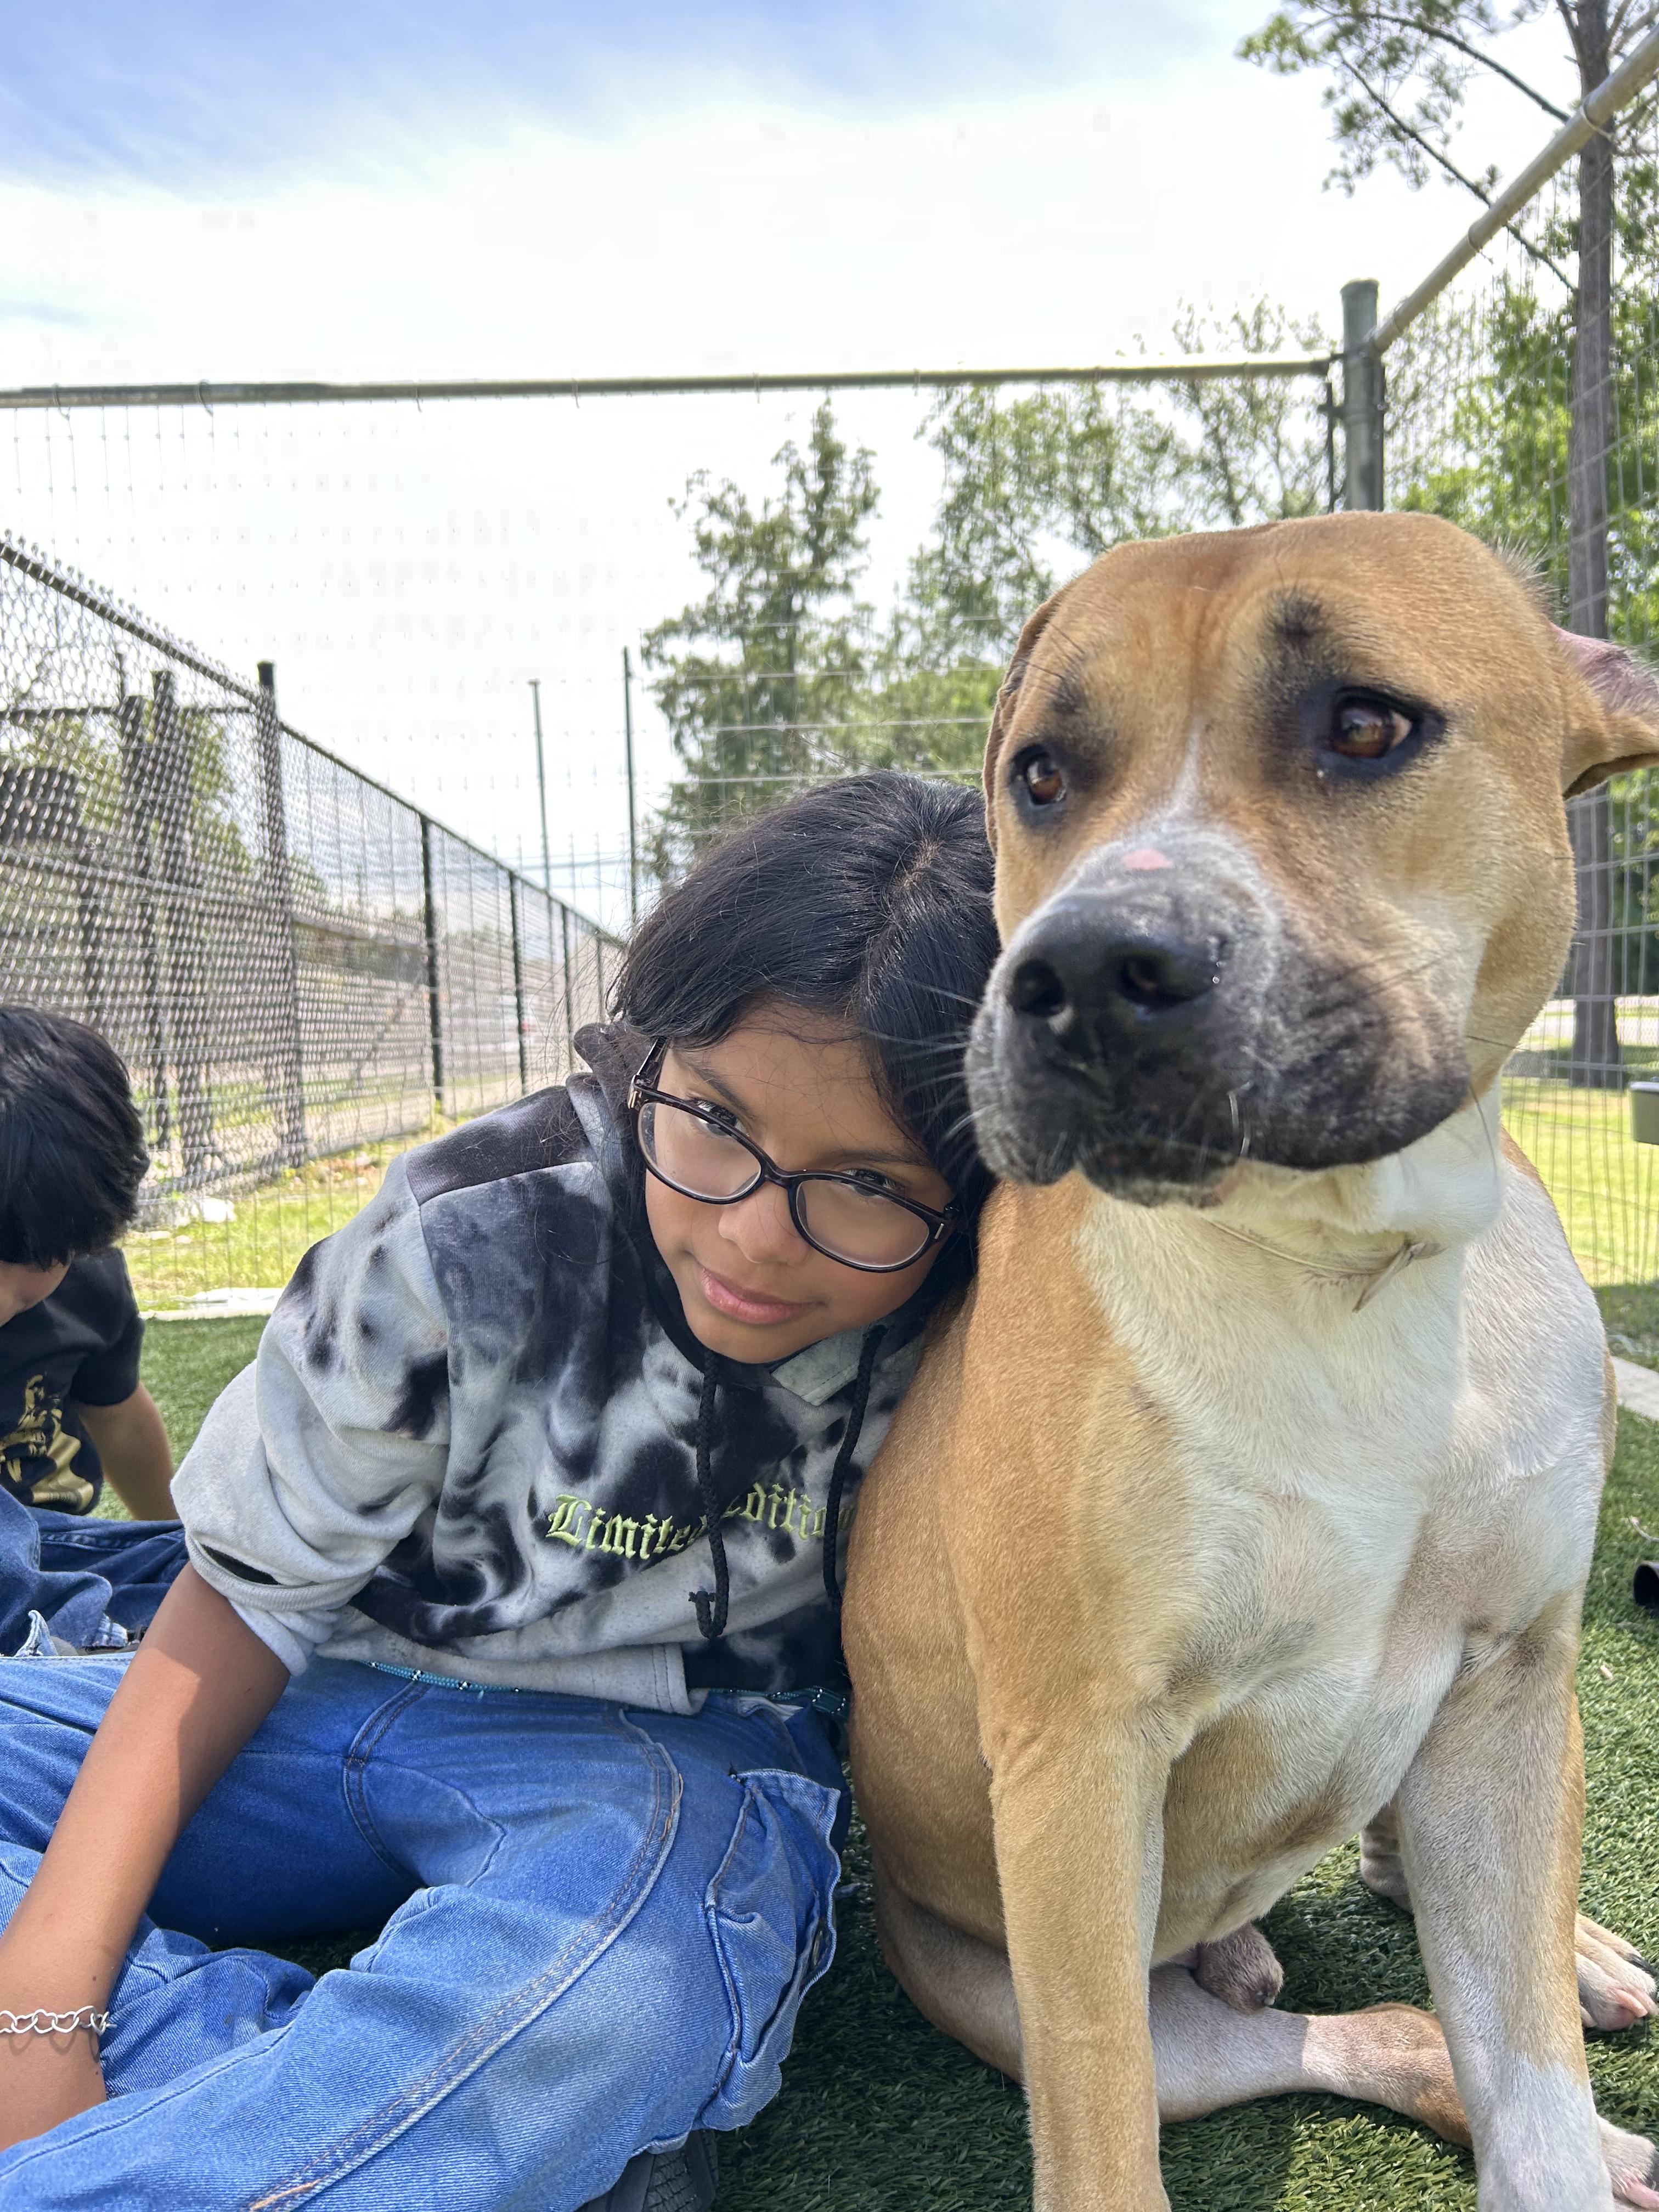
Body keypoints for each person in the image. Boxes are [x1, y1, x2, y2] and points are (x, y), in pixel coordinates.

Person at [0, 772, 1000, 2212]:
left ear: (971, 1193)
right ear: (649, 1054)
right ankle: (346, 2095)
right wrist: (44, 2006)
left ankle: (425, 2113)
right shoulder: (474, 1230)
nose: (750, 1236)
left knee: (626, 1978)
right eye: (713, 1117)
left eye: (869, 1185)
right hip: (317, 1688)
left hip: (659, 1756)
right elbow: (244, 1601)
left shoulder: (988, 1319)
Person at [0, 1008, 184, 1660]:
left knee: (192, 1560)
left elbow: (122, 1420)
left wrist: (178, 1536)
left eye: (33, 1261)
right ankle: (65, 1645)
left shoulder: (89, 1285)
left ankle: (82, 1631)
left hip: (50, 1546)